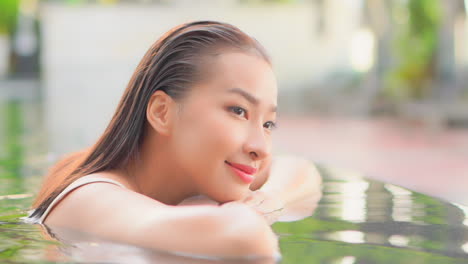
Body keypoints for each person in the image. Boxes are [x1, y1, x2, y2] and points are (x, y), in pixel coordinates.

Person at [26, 21, 322, 260]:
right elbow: (247, 238)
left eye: (268, 123)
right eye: (238, 110)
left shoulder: (217, 168)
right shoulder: (89, 198)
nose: (260, 147)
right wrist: (220, 211)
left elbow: (303, 172)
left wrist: (270, 199)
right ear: (162, 112)